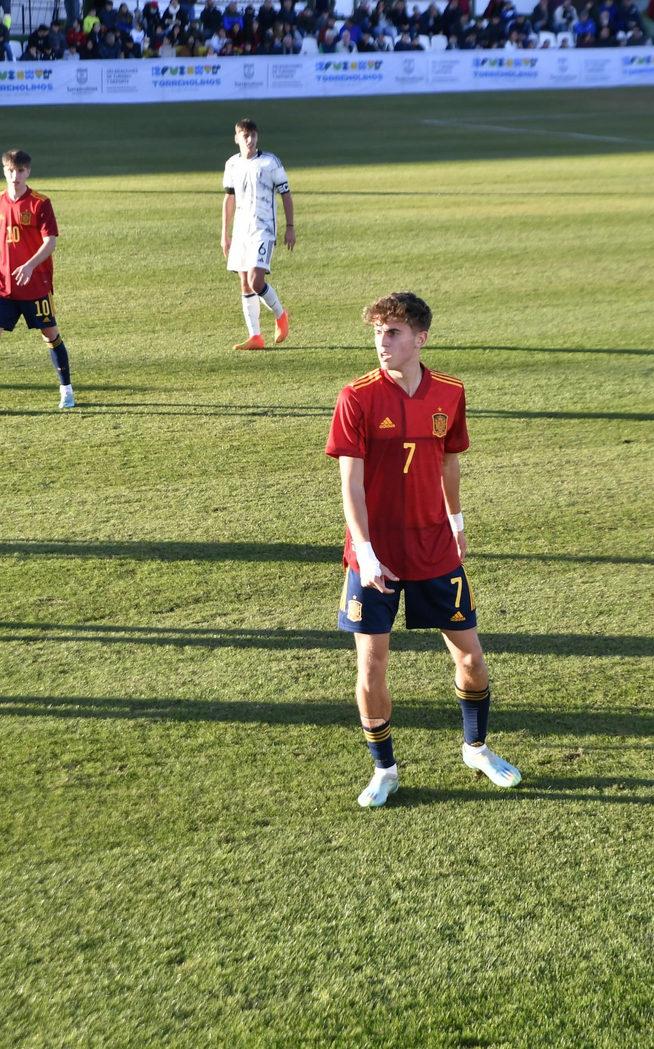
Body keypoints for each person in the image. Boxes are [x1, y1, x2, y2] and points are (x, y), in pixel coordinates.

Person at [325, 291, 523, 809]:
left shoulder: (450, 393)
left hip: (435, 546)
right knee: (370, 667)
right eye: (376, 333)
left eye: (392, 333)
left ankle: (476, 748)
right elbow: (351, 485)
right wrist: (364, 553)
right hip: (377, 555)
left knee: (472, 659)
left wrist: (455, 518)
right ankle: (385, 769)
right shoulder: (356, 397)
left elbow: (449, 460)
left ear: (420, 338)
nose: (382, 343)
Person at [0, 150, 74, 412]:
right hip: (4, 284)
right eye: (10, 170)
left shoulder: (40, 203)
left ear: (28, 172)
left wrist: (31, 265)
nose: (15, 175)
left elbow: (50, 241)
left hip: (35, 285)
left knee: (49, 333)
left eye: (20, 171)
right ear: (4, 171)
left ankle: (67, 390)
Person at [220, 118, 294, 351]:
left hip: (263, 230)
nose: (250, 140)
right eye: (245, 136)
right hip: (241, 231)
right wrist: (225, 233)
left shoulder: (270, 162)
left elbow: (286, 194)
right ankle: (256, 337)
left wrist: (290, 227)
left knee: (255, 281)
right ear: (237, 139)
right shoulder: (232, 164)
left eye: (253, 135)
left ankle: (281, 315)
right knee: (244, 283)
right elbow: (229, 199)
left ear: (257, 137)